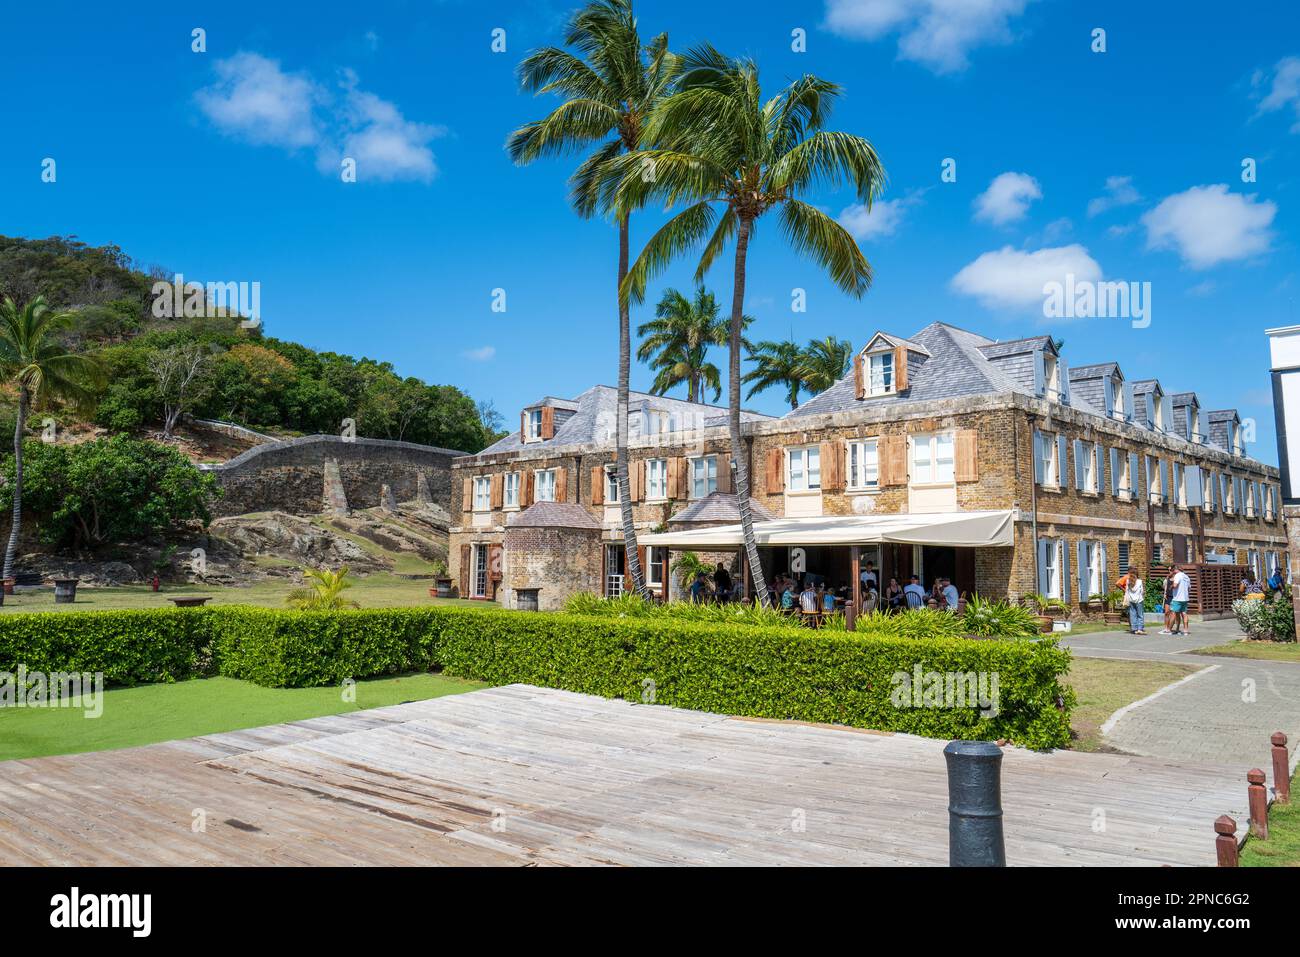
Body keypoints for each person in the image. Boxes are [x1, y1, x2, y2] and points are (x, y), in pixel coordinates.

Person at [1118, 570, 1146, 635]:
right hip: (1139, 600)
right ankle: (1140, 629)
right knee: (1140, 615)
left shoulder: (1128, 581)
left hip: (1131, 600)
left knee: (1133, 614)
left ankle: (1134, 628)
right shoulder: (1139, 581)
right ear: (1137, 575)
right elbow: (1141, 591)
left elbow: (1127, 591)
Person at [1169, 566, 1191, 636]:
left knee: (1174, 613)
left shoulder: (1177, 575)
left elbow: (1175, 585)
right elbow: (1189, 588)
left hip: (1177, 598)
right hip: (1185, 598)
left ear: (1176, 569)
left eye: (1173, 570)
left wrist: (1171, 587)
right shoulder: (1186, 577)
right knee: (1184, 614)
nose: (1172, 571)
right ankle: (1185, 630)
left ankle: (1169, 630)